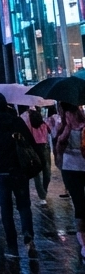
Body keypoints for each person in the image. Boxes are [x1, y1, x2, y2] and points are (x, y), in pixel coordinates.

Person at [0, 93, 35, 256]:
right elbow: (30, 143)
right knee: (24, 205)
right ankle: (28, 234)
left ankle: (12, 245)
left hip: (1, 171)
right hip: (19, 169)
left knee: (6, 209)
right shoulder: (16, 121)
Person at [54, 102, 85, 260]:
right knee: (79, 204)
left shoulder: (84, 126)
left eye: (70, 113)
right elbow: (58, 153)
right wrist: (62, 137)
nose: (69, 117)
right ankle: (83, 243)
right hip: (71, 170)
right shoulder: (61, 128)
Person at [22, 105, 52, 204]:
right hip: (39, 147)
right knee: (40, 172)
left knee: (43, 173)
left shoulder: (42, 120)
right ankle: (42, 195)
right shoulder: (29, 120)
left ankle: (43, 193)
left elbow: (50, 130)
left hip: (42, 147)